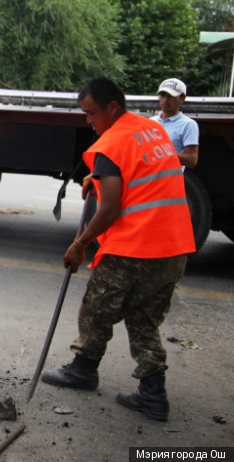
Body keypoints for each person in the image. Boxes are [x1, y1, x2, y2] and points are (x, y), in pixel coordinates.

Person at [42, 77, 195, 422]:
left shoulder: (110, 144)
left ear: (112, 108)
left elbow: (109, 209)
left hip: (136, 249)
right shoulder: (150, 129)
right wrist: (96, 177)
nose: (88, 121)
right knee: (143, 319)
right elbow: (138, 170)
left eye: (91, 113)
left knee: (96, 308)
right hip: (174, 247)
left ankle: (83, 369)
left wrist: (80, 244)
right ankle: (153, 394)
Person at [151, 78, 199, 169]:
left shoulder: (188, 124)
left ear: (182, 98)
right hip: (149, 179)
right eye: (162, 95)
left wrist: (161, 153)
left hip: (170, 181)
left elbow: (192, 159)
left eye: (171, 96)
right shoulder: (150, 122)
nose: (165, 99)